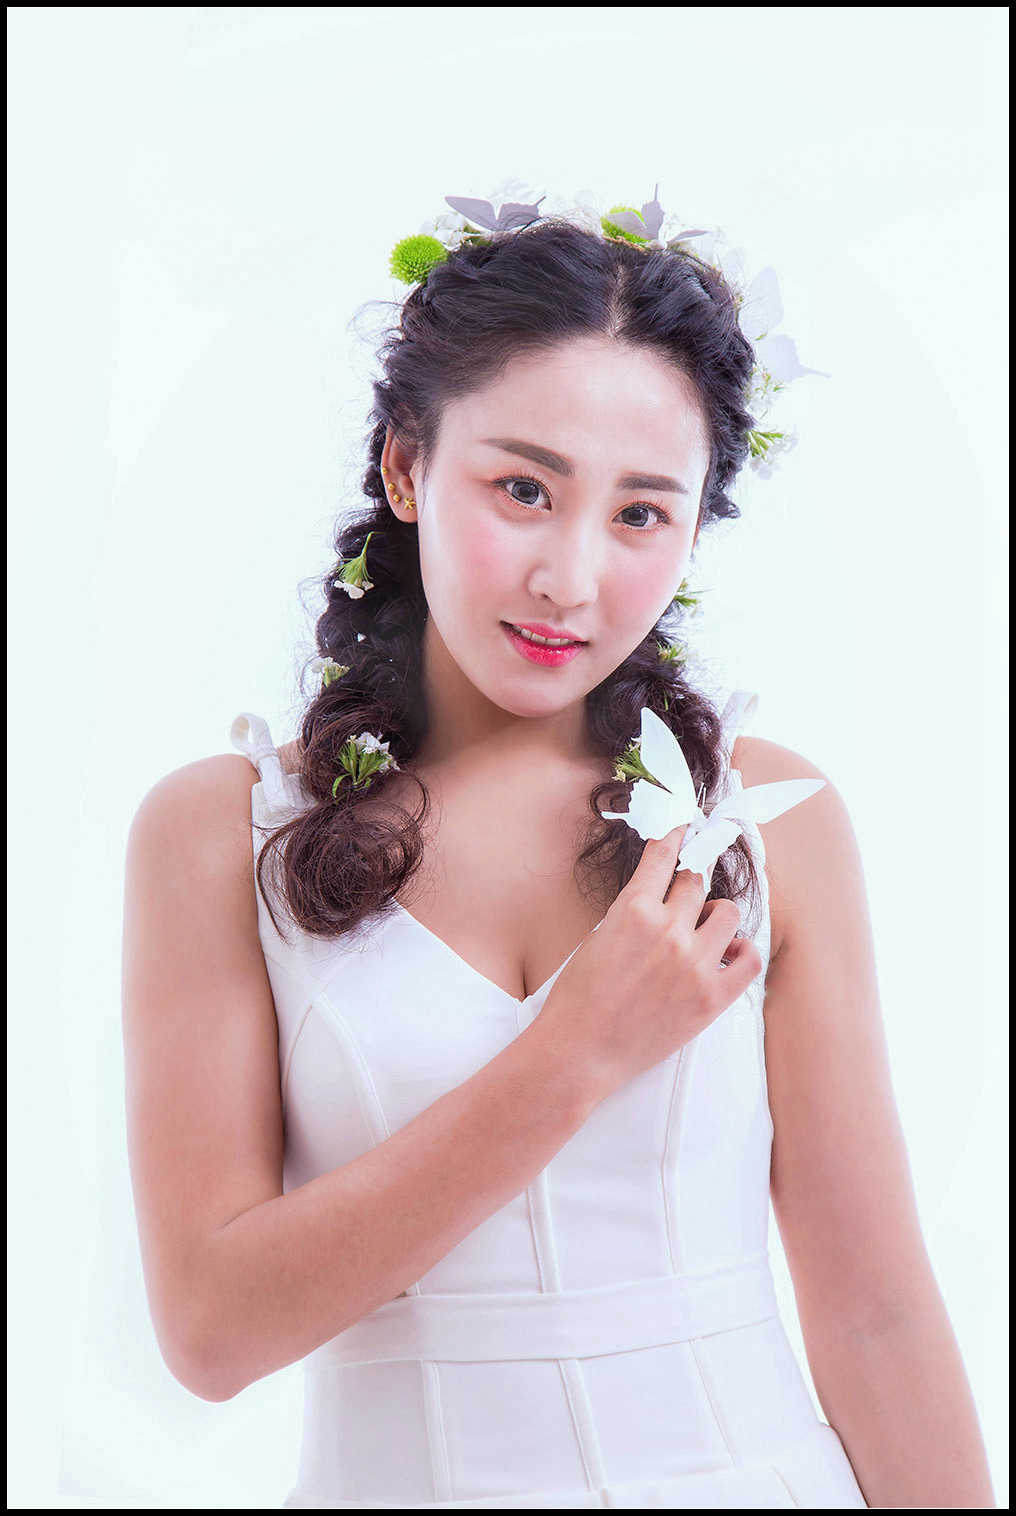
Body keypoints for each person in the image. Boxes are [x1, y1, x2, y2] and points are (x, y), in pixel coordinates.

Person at [121, 194, 995, 1509]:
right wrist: (575, 1054)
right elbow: (210, 1331)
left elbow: (876, 1317)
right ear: (406, 467)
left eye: (642, 513)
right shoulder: (222, 830)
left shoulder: (763, 817)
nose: (570, 579)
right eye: (523, 489)